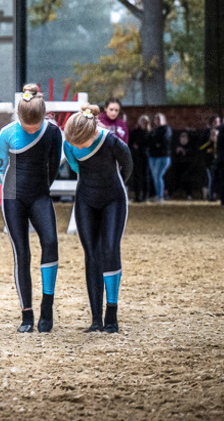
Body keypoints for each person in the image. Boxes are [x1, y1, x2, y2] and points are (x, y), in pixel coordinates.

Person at [0, 84, 62, 333]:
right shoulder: (7, 133)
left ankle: (47, 305)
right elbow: (2, 167)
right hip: (13, 197)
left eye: (35, 127)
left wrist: (41, 190)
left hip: (40, 196)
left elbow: (54, 166)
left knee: (51, 242)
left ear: (44, 116)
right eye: (26, 126)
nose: (30, 130)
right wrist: (12, 191)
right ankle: (26, 313)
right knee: (21, 253)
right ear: (19, 117)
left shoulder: (53, 132)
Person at [63, 105, 132, 334]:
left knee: (110, 250)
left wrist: (115, 185)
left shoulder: (110, 141)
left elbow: (128, 164)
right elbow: (75, 167)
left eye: (78, 144)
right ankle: (95, 318)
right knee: (91, 254)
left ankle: (111, 314)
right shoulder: (70, 144)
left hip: (113, 199)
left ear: (92, 134)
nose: (74, 147)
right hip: (86, 200)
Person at [147, 113, 172, 202]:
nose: (158, 120)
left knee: (158, 176)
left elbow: (163, 141)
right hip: (153, 156)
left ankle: (160, 196)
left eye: (159, 119)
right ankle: (157, 195)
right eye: (156, 119)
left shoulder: (166, 129)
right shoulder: (154, 130)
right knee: (155, 176)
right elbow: (150, 140)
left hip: (162, 156)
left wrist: (156, 142)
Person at [128, 115, 153, 203]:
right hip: (136, 157)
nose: (144, 124)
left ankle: (145, 197)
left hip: (145, 157)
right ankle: (137, 196)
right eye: (143, 121)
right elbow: (130, 143)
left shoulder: (149, 133)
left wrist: (138, 144)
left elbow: (148, 144)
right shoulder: (135, 132)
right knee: (136, 176)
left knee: (145, 177)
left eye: (146, 122)